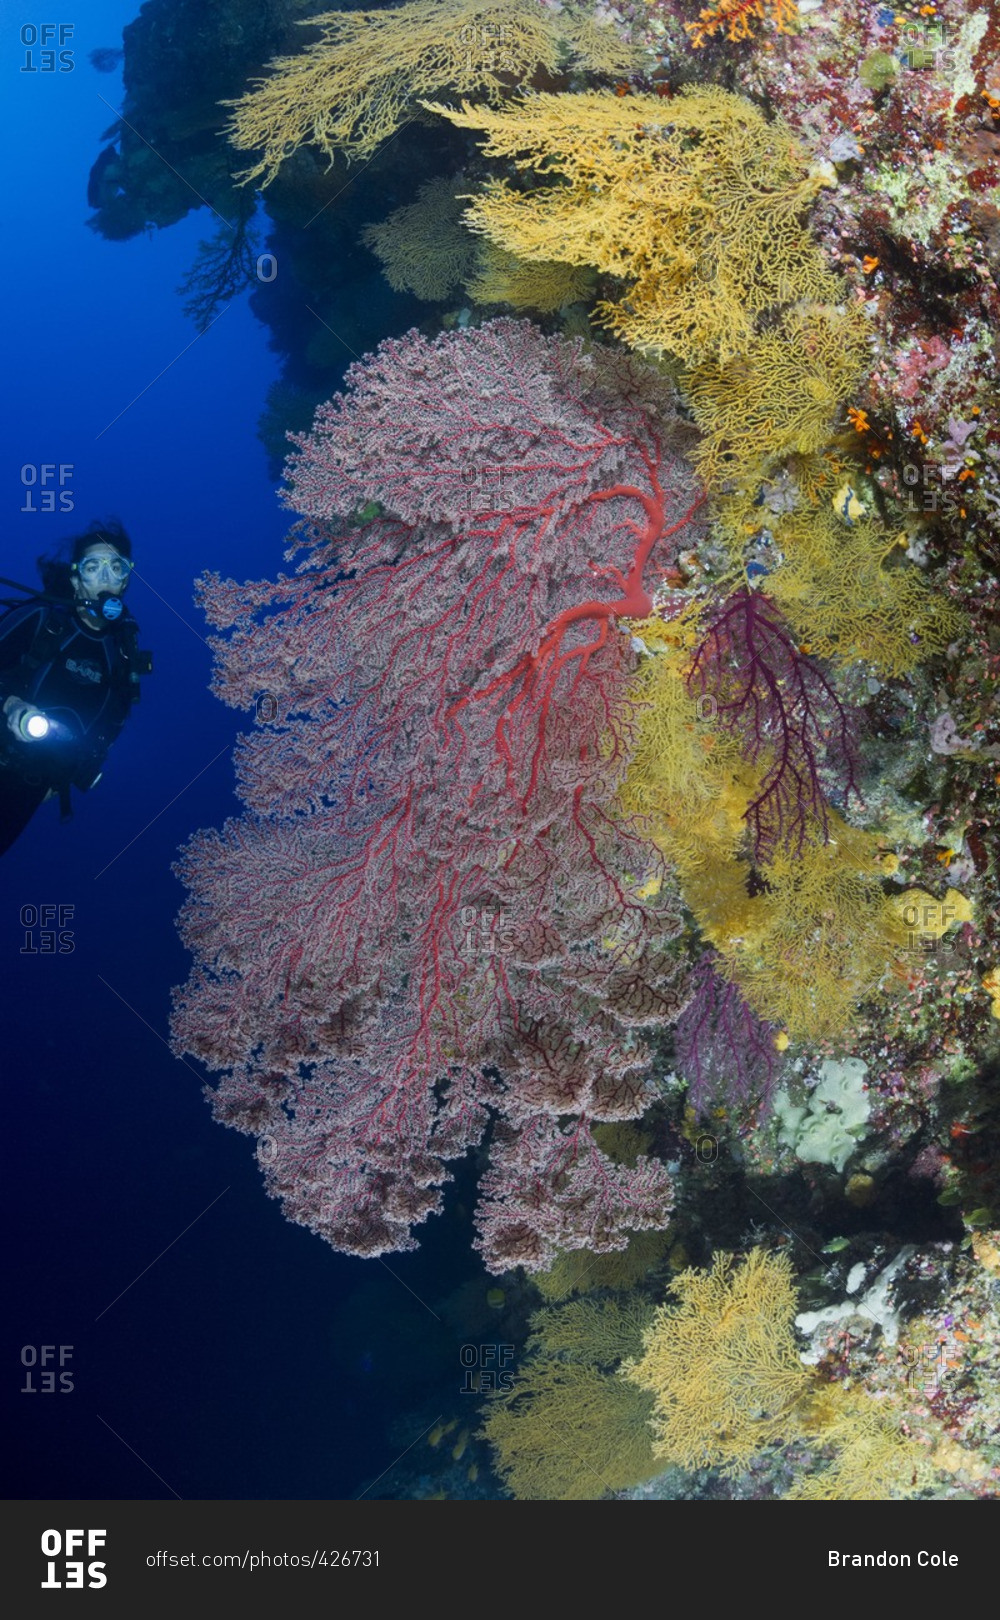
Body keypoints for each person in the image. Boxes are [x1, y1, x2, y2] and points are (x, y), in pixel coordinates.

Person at [0, 519, 151, 856]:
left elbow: (110, 725)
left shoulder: (123, 654)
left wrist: (69, 773)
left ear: (126, 580)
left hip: (31, 788)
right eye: (92, 567)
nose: (105, 578)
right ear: (75, 580)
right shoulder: (39, 621)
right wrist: (11, 705)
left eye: (116, 568)